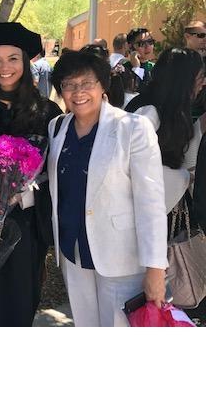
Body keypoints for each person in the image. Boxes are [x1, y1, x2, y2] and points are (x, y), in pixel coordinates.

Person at [47, 50, 167, 326]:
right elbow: (52, 181)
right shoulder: (57, 127)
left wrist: (156, 267)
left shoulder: (133, 128)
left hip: (121, 257)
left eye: (87, 83)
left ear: (103, 85)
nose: (78, 92)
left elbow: (151, 202)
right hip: (73, 250)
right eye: (69, 85)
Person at [0, 22, 61, 326]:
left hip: (25, 223)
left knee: (17, 296)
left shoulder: (46, 113)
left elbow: (54, 174)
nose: (4, 67)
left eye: (13, 59)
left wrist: (22, 194)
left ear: (26, 61)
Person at [125, 48, 206, 213]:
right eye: (200, 77)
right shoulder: (148, 112)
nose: (203, 83)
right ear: (184, 81)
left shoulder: (172, 108)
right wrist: (182, 178)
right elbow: (132, 168)